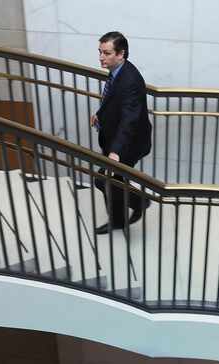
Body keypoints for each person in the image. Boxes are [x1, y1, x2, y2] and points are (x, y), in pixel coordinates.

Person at [91, 31, 153, 234]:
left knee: (104, 180)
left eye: (106, 53)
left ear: (121, 54)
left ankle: (139, 201)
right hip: (117, 138)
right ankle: (120, 218)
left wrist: (116, 152)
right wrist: (100, 113)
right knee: (113, 181)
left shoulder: (130, 81)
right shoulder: (118, 70)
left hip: (129, 143)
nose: (101, 57)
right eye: (100, 52)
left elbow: (129, 120)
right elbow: (112, 99)